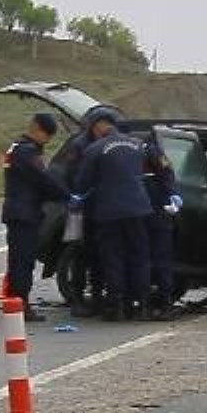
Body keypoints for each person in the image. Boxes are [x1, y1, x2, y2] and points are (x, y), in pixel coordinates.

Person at [73, 105, 153, 321]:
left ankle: (115, 306)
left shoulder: (95, 149)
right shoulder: (138, 145)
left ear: (100, 126)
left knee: (113, 258)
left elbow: (82, 182)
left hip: (109, 212)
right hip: (138, 209)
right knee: (140, 257)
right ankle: (143, 305)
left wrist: (78, 197)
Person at [1, 113, 74, 321]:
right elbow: (43, 180)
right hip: (24, 214)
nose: (47, 141)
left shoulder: (18, 148)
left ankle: (17, 303)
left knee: (19, 261)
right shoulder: (26, 152)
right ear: (38, 130)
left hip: (20, 211)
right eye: (47, 136)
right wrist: (67, 196)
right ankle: (20, 306)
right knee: (22, 262)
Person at [142, 142, 184, 320]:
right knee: (162, 260)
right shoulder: (151, 150)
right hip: (157, 215)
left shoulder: (130, 153)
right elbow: (167, 174)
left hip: (137, 215)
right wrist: (173, 193)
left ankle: (142, 304)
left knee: (140, 260)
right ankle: (164, 304)